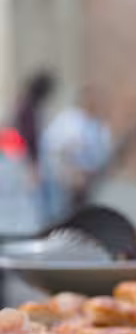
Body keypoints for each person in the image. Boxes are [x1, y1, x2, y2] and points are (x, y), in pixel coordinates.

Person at [39, 87, 113, 222]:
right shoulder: (68, 119)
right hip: (64, 177)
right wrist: (70, 168)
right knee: (60, 214)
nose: (93, 103)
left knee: (81, 213)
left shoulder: (100, 125)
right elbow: (52, 144)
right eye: (90, 99)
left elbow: (103, 154)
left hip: (87, 179)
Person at [13, 71, 55, 169]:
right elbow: (30, 136)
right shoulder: (28, 108)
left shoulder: (27, 105)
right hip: (24, 157)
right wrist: (34, 161)